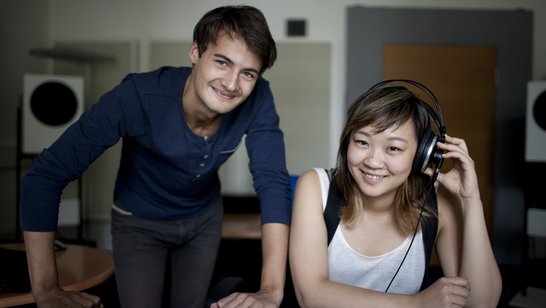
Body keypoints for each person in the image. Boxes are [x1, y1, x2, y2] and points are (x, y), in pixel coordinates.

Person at [20, 5, 290, 308]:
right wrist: (46, 289)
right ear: (195, 53)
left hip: (203, 220)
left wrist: (270, 290)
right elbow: (45, 176)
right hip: (138, 222)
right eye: (222, 62)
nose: (231, 84)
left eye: (248, 73)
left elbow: (273, 184)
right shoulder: (137, 96)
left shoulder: (259, 98)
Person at [288, 80, 502, 307]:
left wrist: (470, 200)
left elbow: (481, 304)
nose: (372, 161)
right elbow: (310, 296)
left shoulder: (438, 200)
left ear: (421, 155)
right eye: (362, 142)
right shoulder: (315, 186)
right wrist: (416, 304)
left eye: (393, 148)